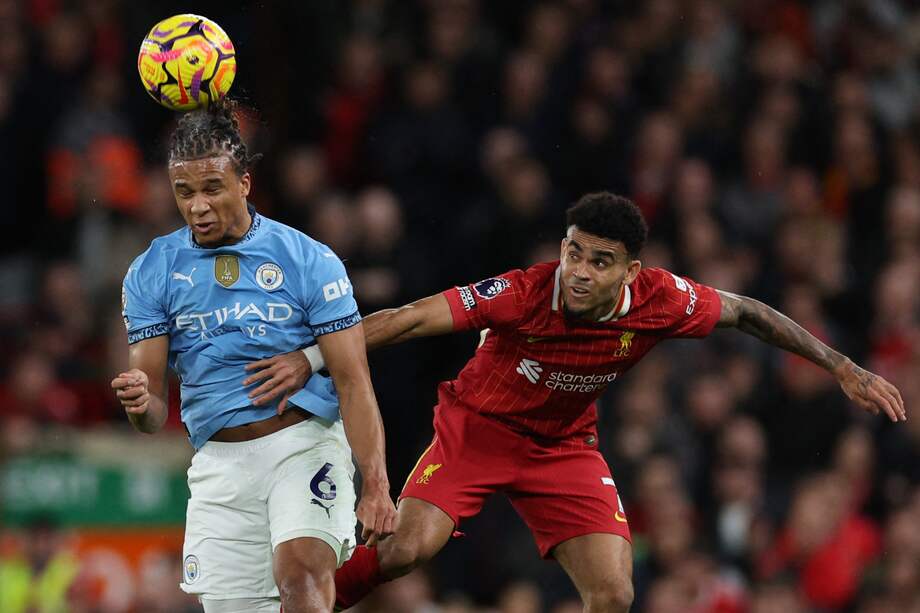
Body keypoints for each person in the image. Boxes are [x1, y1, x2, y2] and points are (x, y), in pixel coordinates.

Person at [246, 192, 906, 613]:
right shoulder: (522, 291)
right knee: (407, 550)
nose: (580, 271)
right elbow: (410, 318)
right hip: (477, 428)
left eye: (600, 260)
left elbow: (749, 312)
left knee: (615, 592)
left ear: (631, 272)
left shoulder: (662, 300)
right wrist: (308, 357)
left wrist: (840, 365)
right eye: (574, 252)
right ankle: (308, 601)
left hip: (562, 446)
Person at [110, 101, 396, 613]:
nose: (197, 206)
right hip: (219, 465)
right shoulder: (152, 270)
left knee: (302, 579)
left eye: (211, 189)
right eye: (184, 192)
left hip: (303, 445)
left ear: (244, 183)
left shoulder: (308, 260)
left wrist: (375, 483)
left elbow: (354, 382)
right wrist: (139, 402)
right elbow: (153, 412)